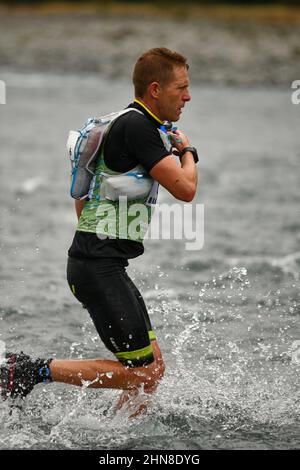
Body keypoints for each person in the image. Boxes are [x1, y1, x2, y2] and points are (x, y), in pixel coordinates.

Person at [0, 47, 198, 417]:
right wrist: (188, 151)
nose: (187, 97)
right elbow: (186, 190)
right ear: (155, 89)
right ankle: (26, 370)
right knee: (145, 370)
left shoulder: (126, 123)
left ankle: (117, 433)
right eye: (181, 88)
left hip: (100, 264)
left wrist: (98, 241)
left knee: (152, 370)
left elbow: (83, 197)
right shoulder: (139, 127)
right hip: (98, 267)